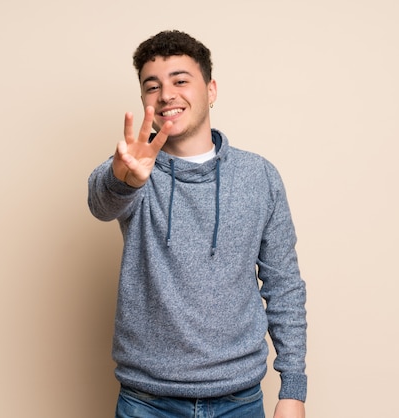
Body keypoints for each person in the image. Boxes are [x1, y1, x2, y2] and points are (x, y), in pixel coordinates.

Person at [88, 30, 307, 418]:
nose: (166, 95)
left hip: (239, 400)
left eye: (181, 81)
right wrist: (125, 179)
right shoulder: (135, 167)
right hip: (146, 401)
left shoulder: (258, 176)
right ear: (144, 100)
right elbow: (101, 203)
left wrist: (293, 389)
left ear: (212, 90)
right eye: (152, 86)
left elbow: (284, 285)